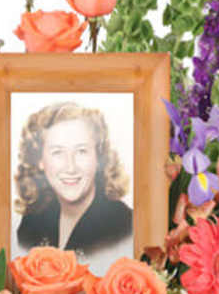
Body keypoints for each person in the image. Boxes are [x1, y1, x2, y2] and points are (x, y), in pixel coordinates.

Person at [14, 102, 132, 267]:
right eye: (57, 152)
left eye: (81, 151)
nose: (71, 167)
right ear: (40, 160)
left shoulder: (125, 227)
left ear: (98, 158)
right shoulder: (32, 222)